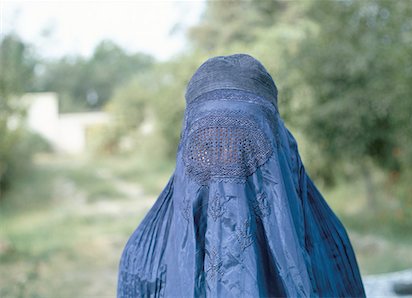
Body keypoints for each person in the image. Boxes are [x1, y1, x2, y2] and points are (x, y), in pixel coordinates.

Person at [117, 53, 367, 298]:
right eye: (210, 146)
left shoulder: (330, 251)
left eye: (246, 145)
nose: (226, 164)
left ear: (279, 142)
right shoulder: (142, 262)